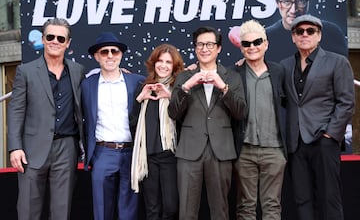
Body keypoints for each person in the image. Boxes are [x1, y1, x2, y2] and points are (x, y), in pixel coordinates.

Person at [7, 18, 85, 220]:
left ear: (68, 43)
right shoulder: (26, 71)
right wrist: (15, 147)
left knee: (62, 210)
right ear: (43, 39)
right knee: (28, 209)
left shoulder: (78, 71)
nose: (55, 41)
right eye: (50, 36)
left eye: (61, 38)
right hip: (32, 149)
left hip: (67, 147)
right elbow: (16, 111)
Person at [281, 14, 355, 220]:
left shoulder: (337, 62)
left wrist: (330, 135)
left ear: (319, 35)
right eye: (299, 31)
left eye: (310, 31)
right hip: (296, 143)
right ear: (293, 37)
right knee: (301, 198)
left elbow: (346, 102)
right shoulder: (285, 66)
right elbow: (283, 99)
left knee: (329, 196)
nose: (305, 35)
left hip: (324, 141)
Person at [168, 26, 247, 220]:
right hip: (189, 151)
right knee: (187, 211)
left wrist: (223, 87)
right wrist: (186, 87)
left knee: (220, 210)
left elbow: (240, 112)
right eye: (200, 44)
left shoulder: (231, 77)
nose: (204, 48)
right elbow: (173, 112)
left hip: (220, 150)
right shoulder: (185, 77)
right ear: (195, 48)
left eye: (210, 44)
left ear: (218, 48)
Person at [81, 32, 145, 220]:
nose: (110, 55)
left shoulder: (137, 81)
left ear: (121, 55)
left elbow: (168, 78)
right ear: (96, 56)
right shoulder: (86, 85)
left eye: (114, 51)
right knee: (102, 211)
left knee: (129, 211)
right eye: (104, 52)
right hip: (102, 152)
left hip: (131, 153)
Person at [232, 20, 287, 220]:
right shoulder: (234, 73)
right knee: (246, 206)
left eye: (257, 42)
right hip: (244, 150)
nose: (252, 47)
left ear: (266, 44)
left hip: (274, 149)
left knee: (272, 205)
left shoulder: (280, 71)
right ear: (241, 48)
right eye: (246, 44)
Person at [228, 0, 347, 62]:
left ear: (309, 0)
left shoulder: (331, 33)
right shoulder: (265, 39)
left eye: (300, 1)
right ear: (276, 2)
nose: (293, 9)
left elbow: (341, 75)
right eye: (286, 1)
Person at [130, 44, 184, 220]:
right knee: (151, 208)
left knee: (171, 206)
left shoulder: (179, 88)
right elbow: (132, 124)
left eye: (168, 62)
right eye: (160, 61)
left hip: (171, 156)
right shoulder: (144, 87)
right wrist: (140, 100)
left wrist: (170, 96)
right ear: (153, 63)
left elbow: (184, 119)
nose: (163, 65)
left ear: (174, 66)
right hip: (148, 157)